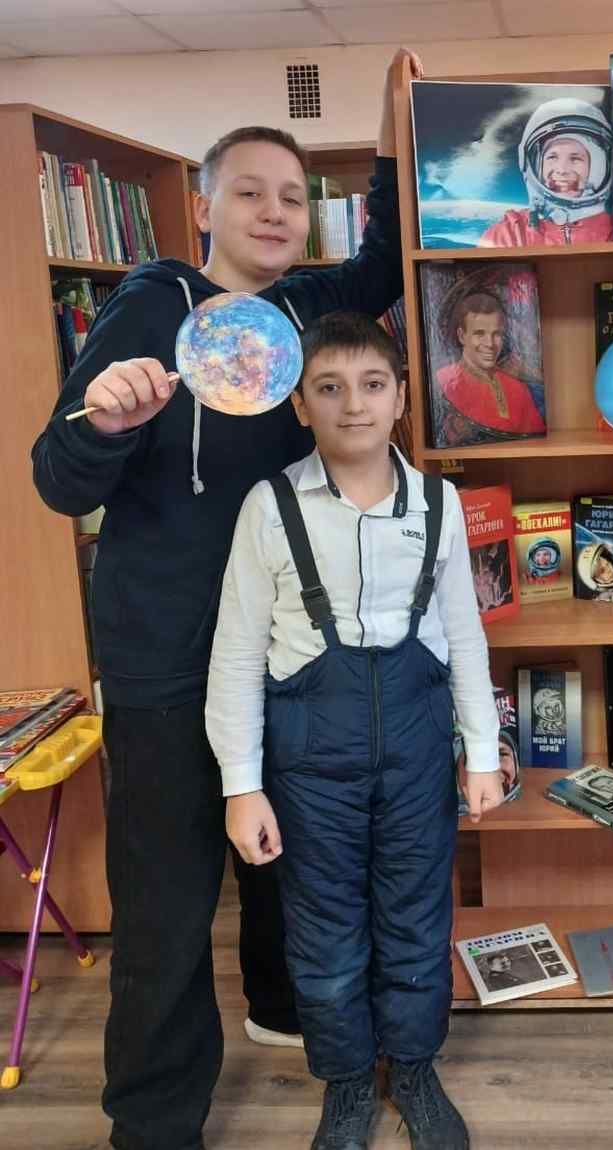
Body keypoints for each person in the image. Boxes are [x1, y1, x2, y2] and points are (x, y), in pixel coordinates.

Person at [30, 48, 420, 1150]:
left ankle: (281, 1008)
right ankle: (154, 1123)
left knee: (281, 855)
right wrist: (104, 420)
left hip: (284, 652)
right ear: (203, 207)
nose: (274, 211)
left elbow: (386, 259)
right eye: (249, 191)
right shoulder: (150, 306)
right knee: (164, 901)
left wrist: (392, 126)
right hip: (165, 654)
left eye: (293, 195)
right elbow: (59, 479)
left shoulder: (303, 309)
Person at [206, 311, 504, 1150]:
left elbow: (465, 636)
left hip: (416, 752)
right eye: (329, 388)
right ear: (300, 404)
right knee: (324, 936)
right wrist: (241, 786)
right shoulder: (269, 508)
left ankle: (413, 1071)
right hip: (307, 764)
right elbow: (236, 653)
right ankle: (344, 1084)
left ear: (402, 396)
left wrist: (482, 753)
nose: (353, 405)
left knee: (416, 923)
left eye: (373, 385)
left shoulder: (439, 503)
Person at [480, 97, 613, 247]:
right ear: (532, 163)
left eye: (576, 158)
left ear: (596, 167)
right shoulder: (508, 235)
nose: (562, 170)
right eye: (552, 157)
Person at [434, 292, 545, 444]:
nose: (490, 343)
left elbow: (535, 445)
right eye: (480, 334)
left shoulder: (519, 389)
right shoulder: (440, 382)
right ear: (461, 336)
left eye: (497, 334)